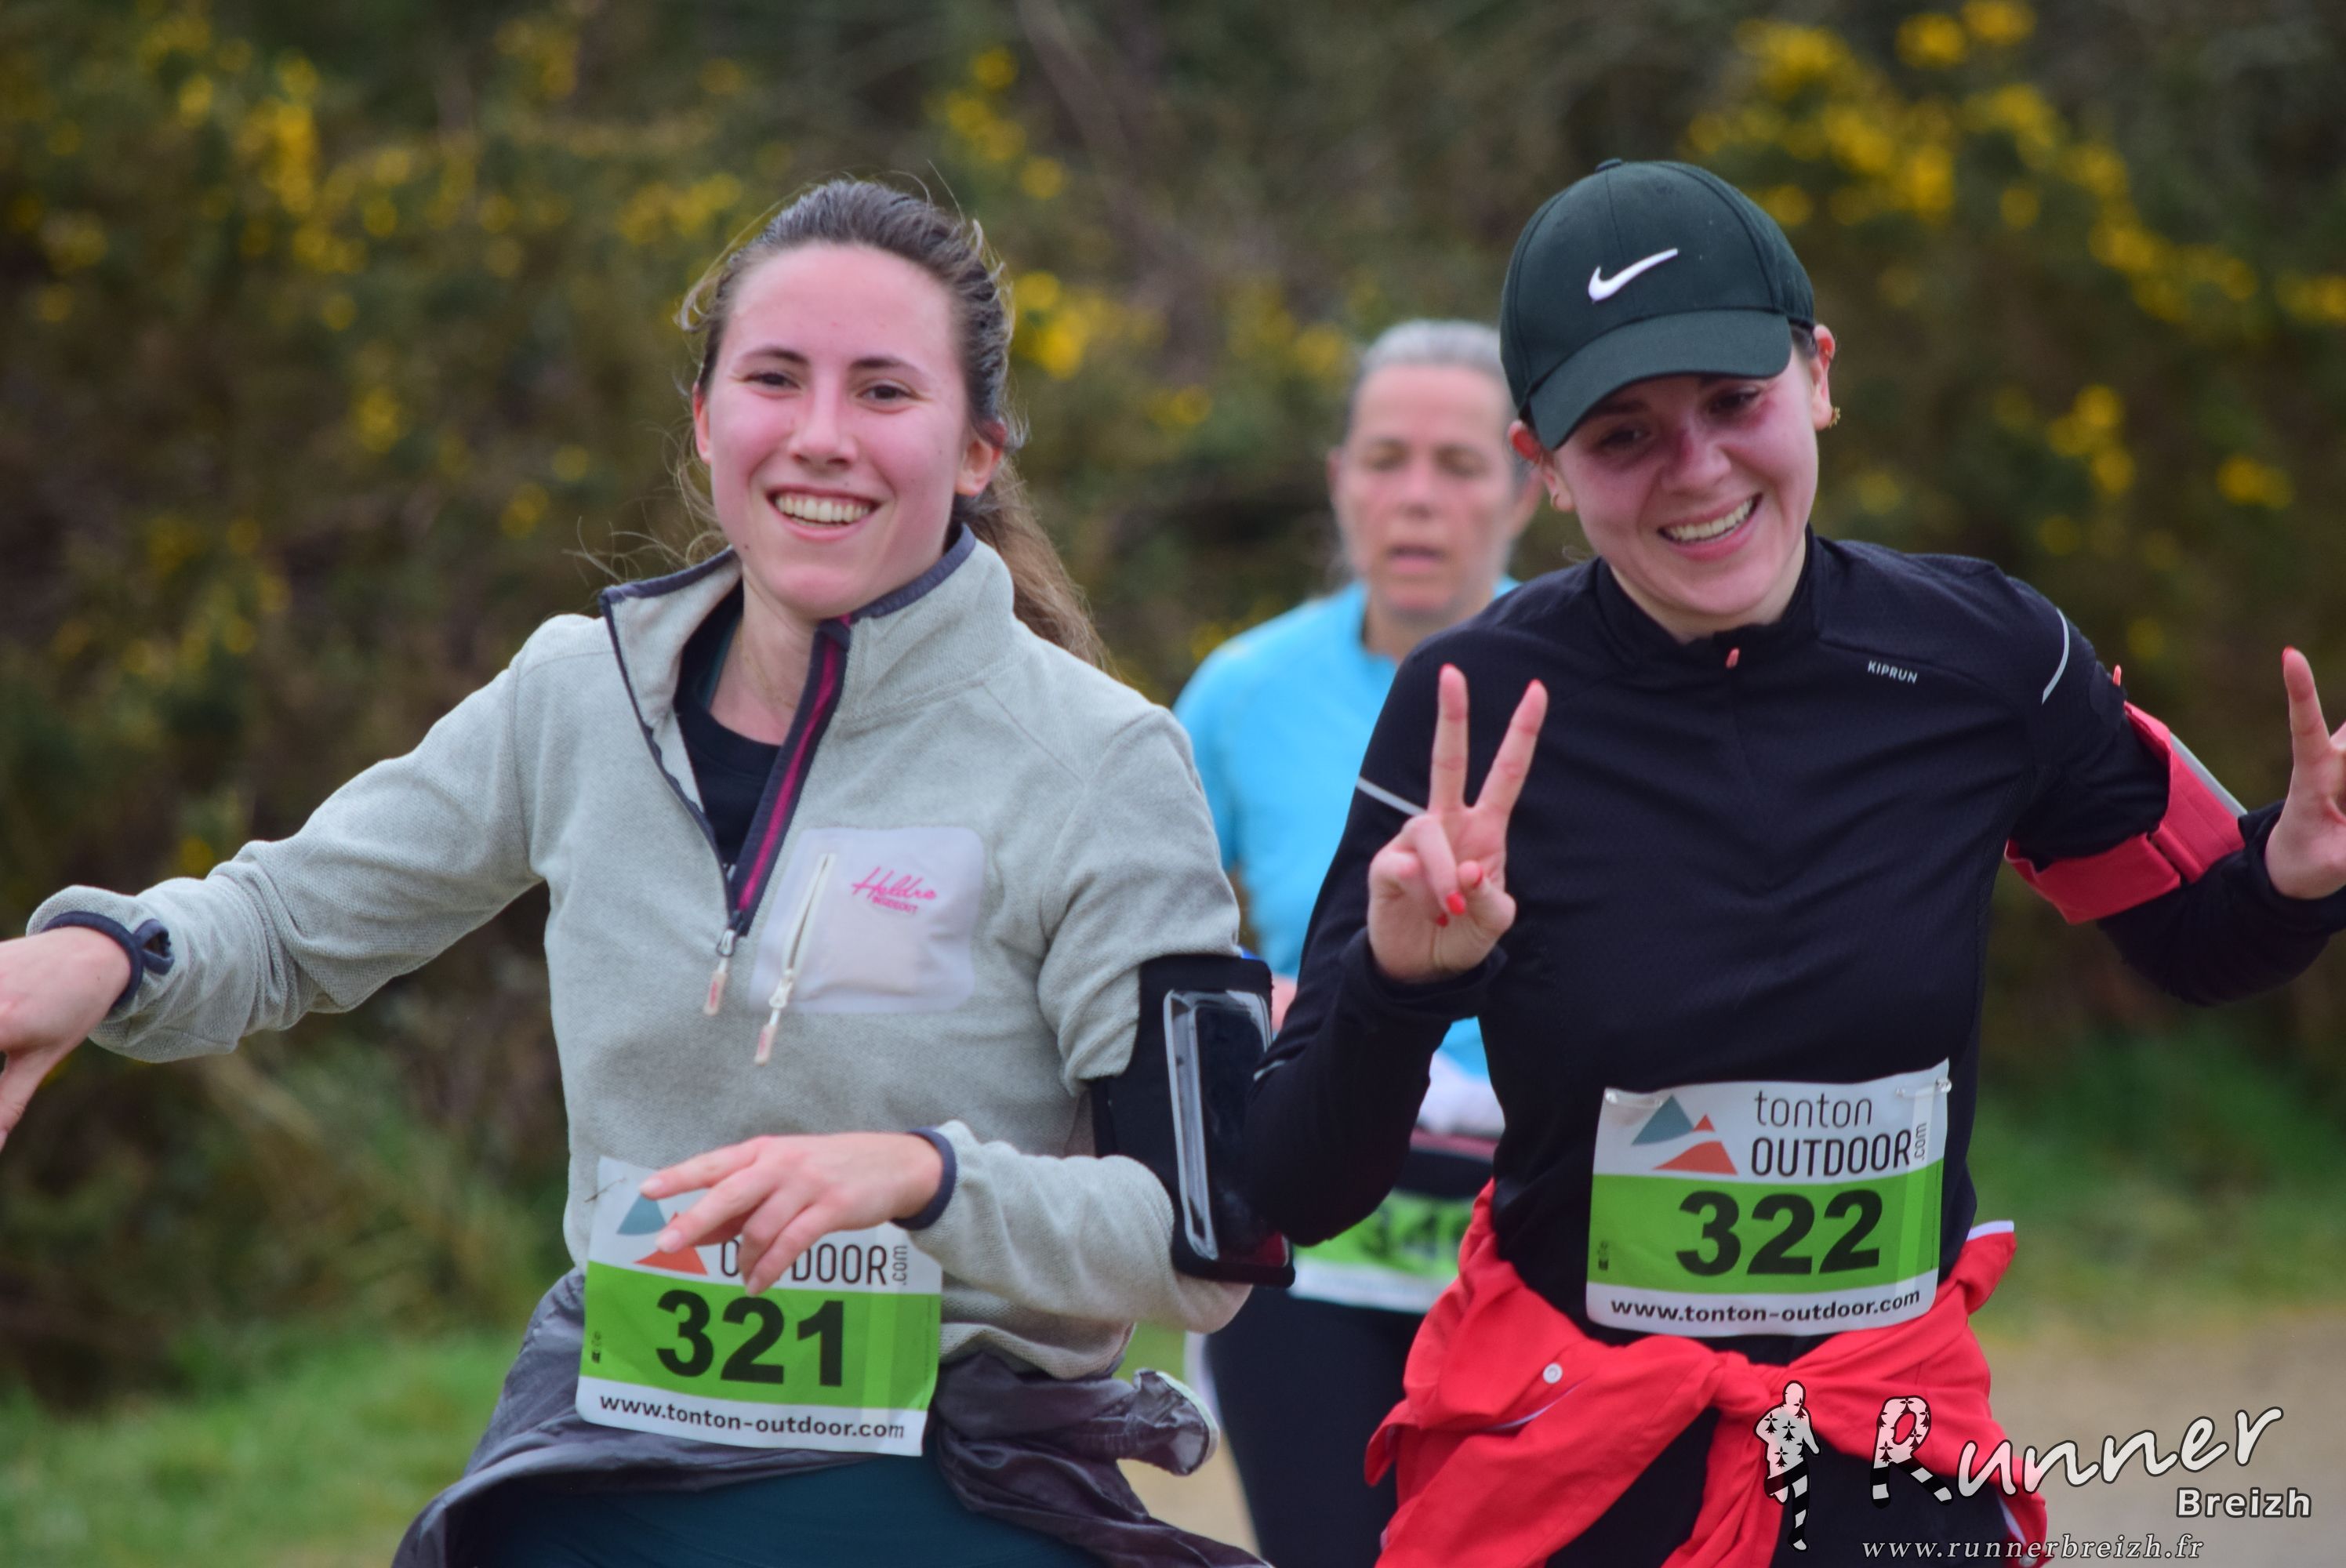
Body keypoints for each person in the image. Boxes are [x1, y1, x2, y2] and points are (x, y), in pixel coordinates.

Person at [0, 180, 1277, 1568]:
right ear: (706, 421)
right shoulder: (576, 698)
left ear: (978, 450)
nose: (822, 434)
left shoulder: (1102, 763)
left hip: (949, 1478)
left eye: (884, 390)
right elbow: (288, 921)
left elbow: (1193, 1237)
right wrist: (103, 955)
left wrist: (924, 1179)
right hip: (610, 1454)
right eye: (774, 379)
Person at [1243, 158, 2346, 1566]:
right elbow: (1298, 1184)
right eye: (1624, 434)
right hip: (1578, 1459)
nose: (1698, 468)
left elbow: (2199, 939)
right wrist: (1401, 986)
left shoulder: (1987, 657)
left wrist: (2299, 874)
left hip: (1887, 1441)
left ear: (1818, 374)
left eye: (1733, 400)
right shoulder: (1471, 711)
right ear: (1545, 466)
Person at [1172, 319, 1536, 1566]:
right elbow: (1146, 936)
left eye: (1459, 464)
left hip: (1537, 1238)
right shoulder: (1241, 691)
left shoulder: (1602, 688)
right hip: (1314, 1247)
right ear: (1339, 481)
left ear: (1527, 487)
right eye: (1386, 460)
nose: (1417, 497)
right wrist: (1248, 1006)